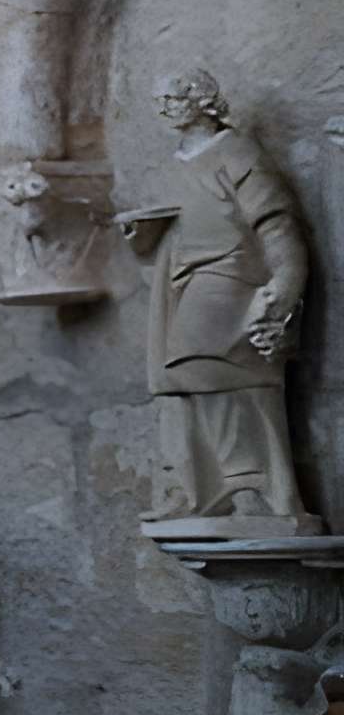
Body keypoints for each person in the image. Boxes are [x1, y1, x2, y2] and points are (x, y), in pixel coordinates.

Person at [120, 67, 312, 524]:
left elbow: (277, 224)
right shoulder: (175, 162)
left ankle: (254, 486)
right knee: (173, 381)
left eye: (174, 96)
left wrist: (284, 285)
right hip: (177, 276)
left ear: (204, 100)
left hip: (230, 271)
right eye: (158, 100)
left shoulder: (238, 152)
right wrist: (142, 235)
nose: (164, 107)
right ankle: (194, 488)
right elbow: (175, 222)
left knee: (213, 364)